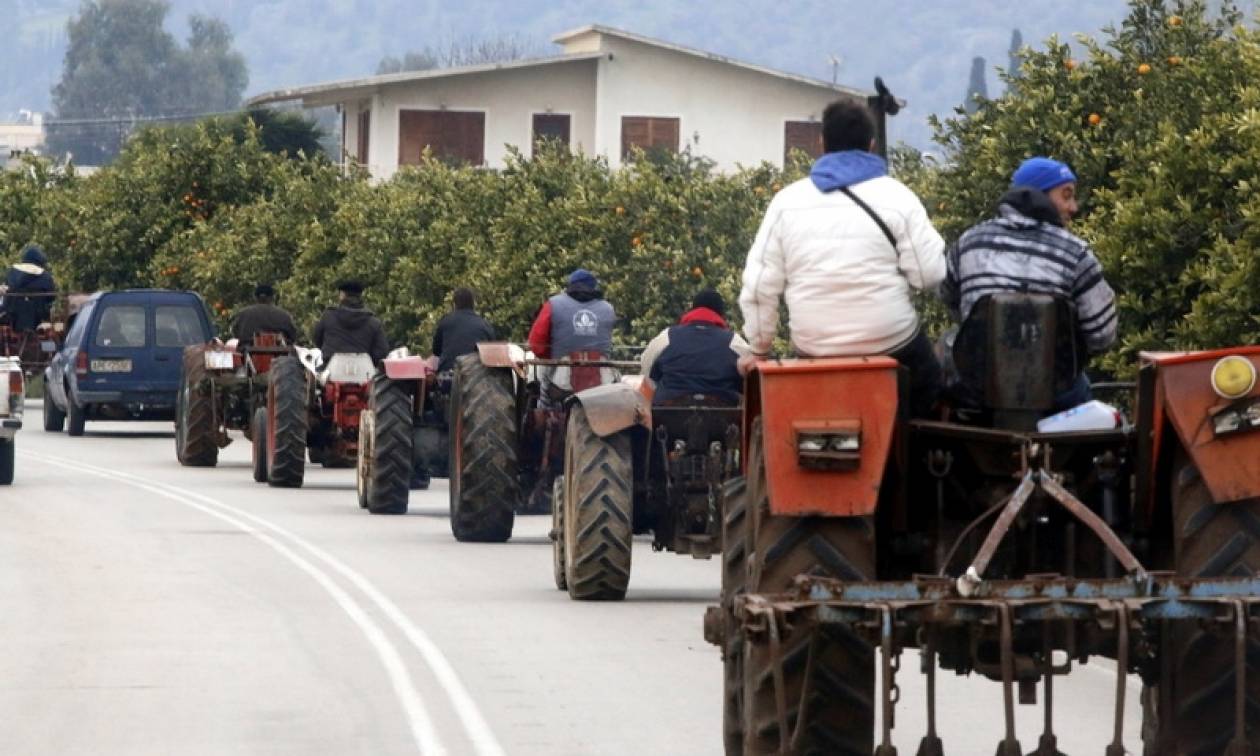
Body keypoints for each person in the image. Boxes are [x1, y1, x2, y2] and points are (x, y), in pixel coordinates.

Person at [738, 99, 948, 416]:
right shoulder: (898, 197)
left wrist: (760, 347)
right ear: (872, 144)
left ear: (822, 144)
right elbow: (929, 273)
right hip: (891, 342)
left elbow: (759, 286)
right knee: (932, 392)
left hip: (814, 347)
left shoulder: (786, 202)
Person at [940, 157, 1117, 409]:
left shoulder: (969, 243)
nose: (1074, 207)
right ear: (1039, 196)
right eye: (1066, 196)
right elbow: (1102, 335)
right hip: (1056, 397)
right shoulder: (1075, 253)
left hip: (975, 392)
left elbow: (948, 296)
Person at [640, 289, 749, 405]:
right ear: (721, 314)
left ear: (692, 309)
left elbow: (646, 366)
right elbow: (752, 377)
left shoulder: (667, 336)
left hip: (669, 414)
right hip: (724, 417)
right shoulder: (734, 342)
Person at [312, 279, 389, 365]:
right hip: (363, 373)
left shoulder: (328, 316)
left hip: (331, 370)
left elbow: (317, 339)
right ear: (360, 295)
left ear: (342, 295)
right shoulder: (374, 322)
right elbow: (381, 351)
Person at [432, 287, 495, 373]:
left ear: (454, 304)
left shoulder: (445, 322)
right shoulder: (484, 325)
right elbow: (492, 352)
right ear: (473, 304)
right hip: (477, 374)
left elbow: (436, 351)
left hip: (448, 373)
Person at [0, 244, 56, 331]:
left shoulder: (12, 272)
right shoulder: (45, 276)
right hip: (37, 317)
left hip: (13, 316)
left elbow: (7, 290)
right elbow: (51, 297)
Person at [230, 284, 298, 347]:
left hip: (248, 353)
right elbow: (293, 336)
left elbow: (235, 333)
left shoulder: (243, 314)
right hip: (281, 354)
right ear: (272, 297)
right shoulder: (284, 315)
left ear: (255, 297)